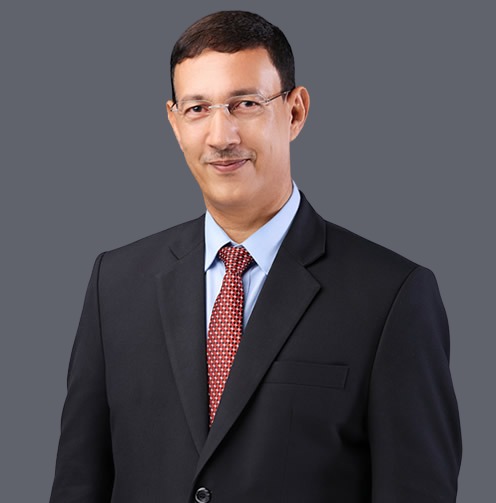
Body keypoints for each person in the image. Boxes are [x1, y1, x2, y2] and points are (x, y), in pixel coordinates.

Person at [49, 10, 462, 503]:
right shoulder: (114, 284)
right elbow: (78, 485)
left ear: (295, 111)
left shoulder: (392, 296)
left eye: (244, 103)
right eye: (197, 108)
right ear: (174, 122)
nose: (221, 137)